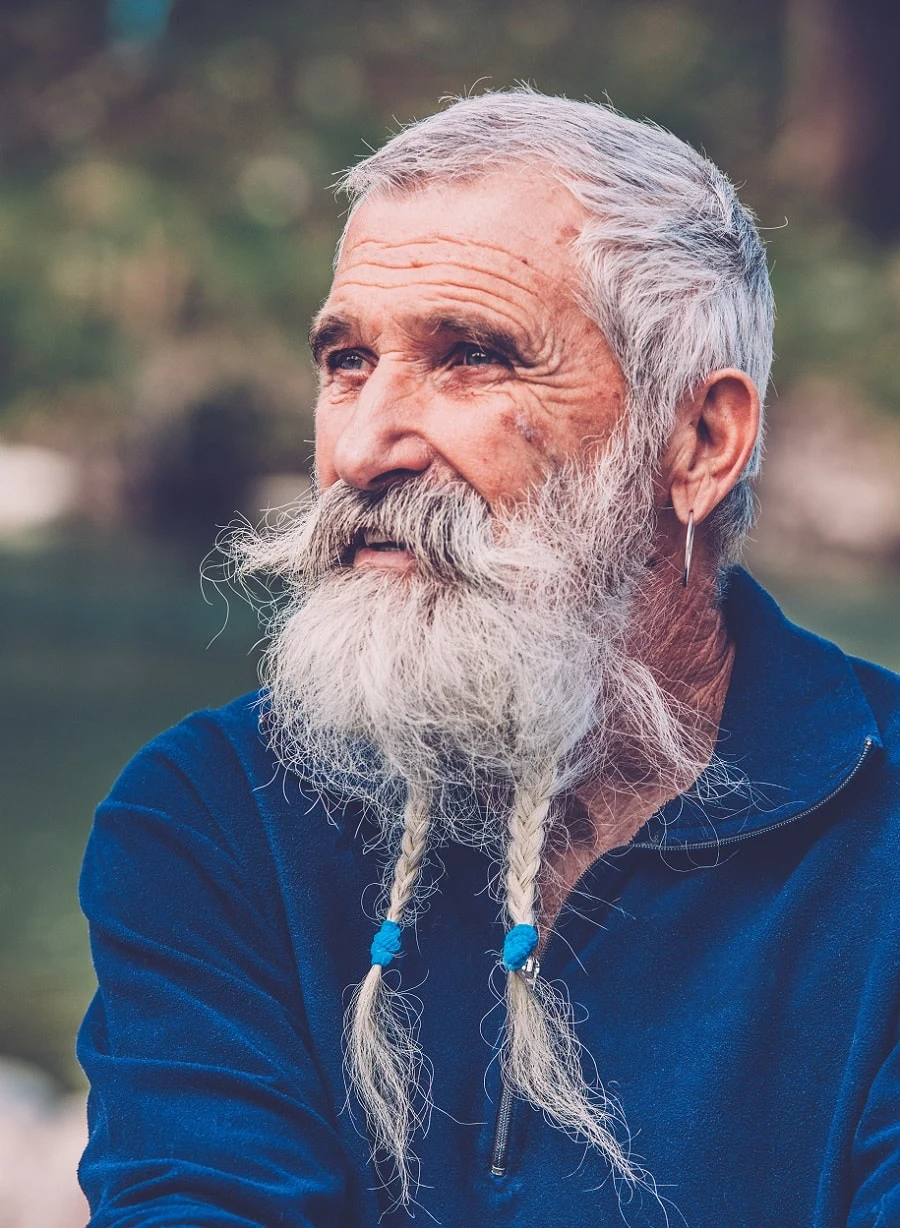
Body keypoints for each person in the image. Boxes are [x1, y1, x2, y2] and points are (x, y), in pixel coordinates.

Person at [77, 89, 900, 1228]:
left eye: (472, 357)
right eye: (347, 358)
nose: (362, 446)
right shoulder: (215, 816)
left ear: (700, 440)